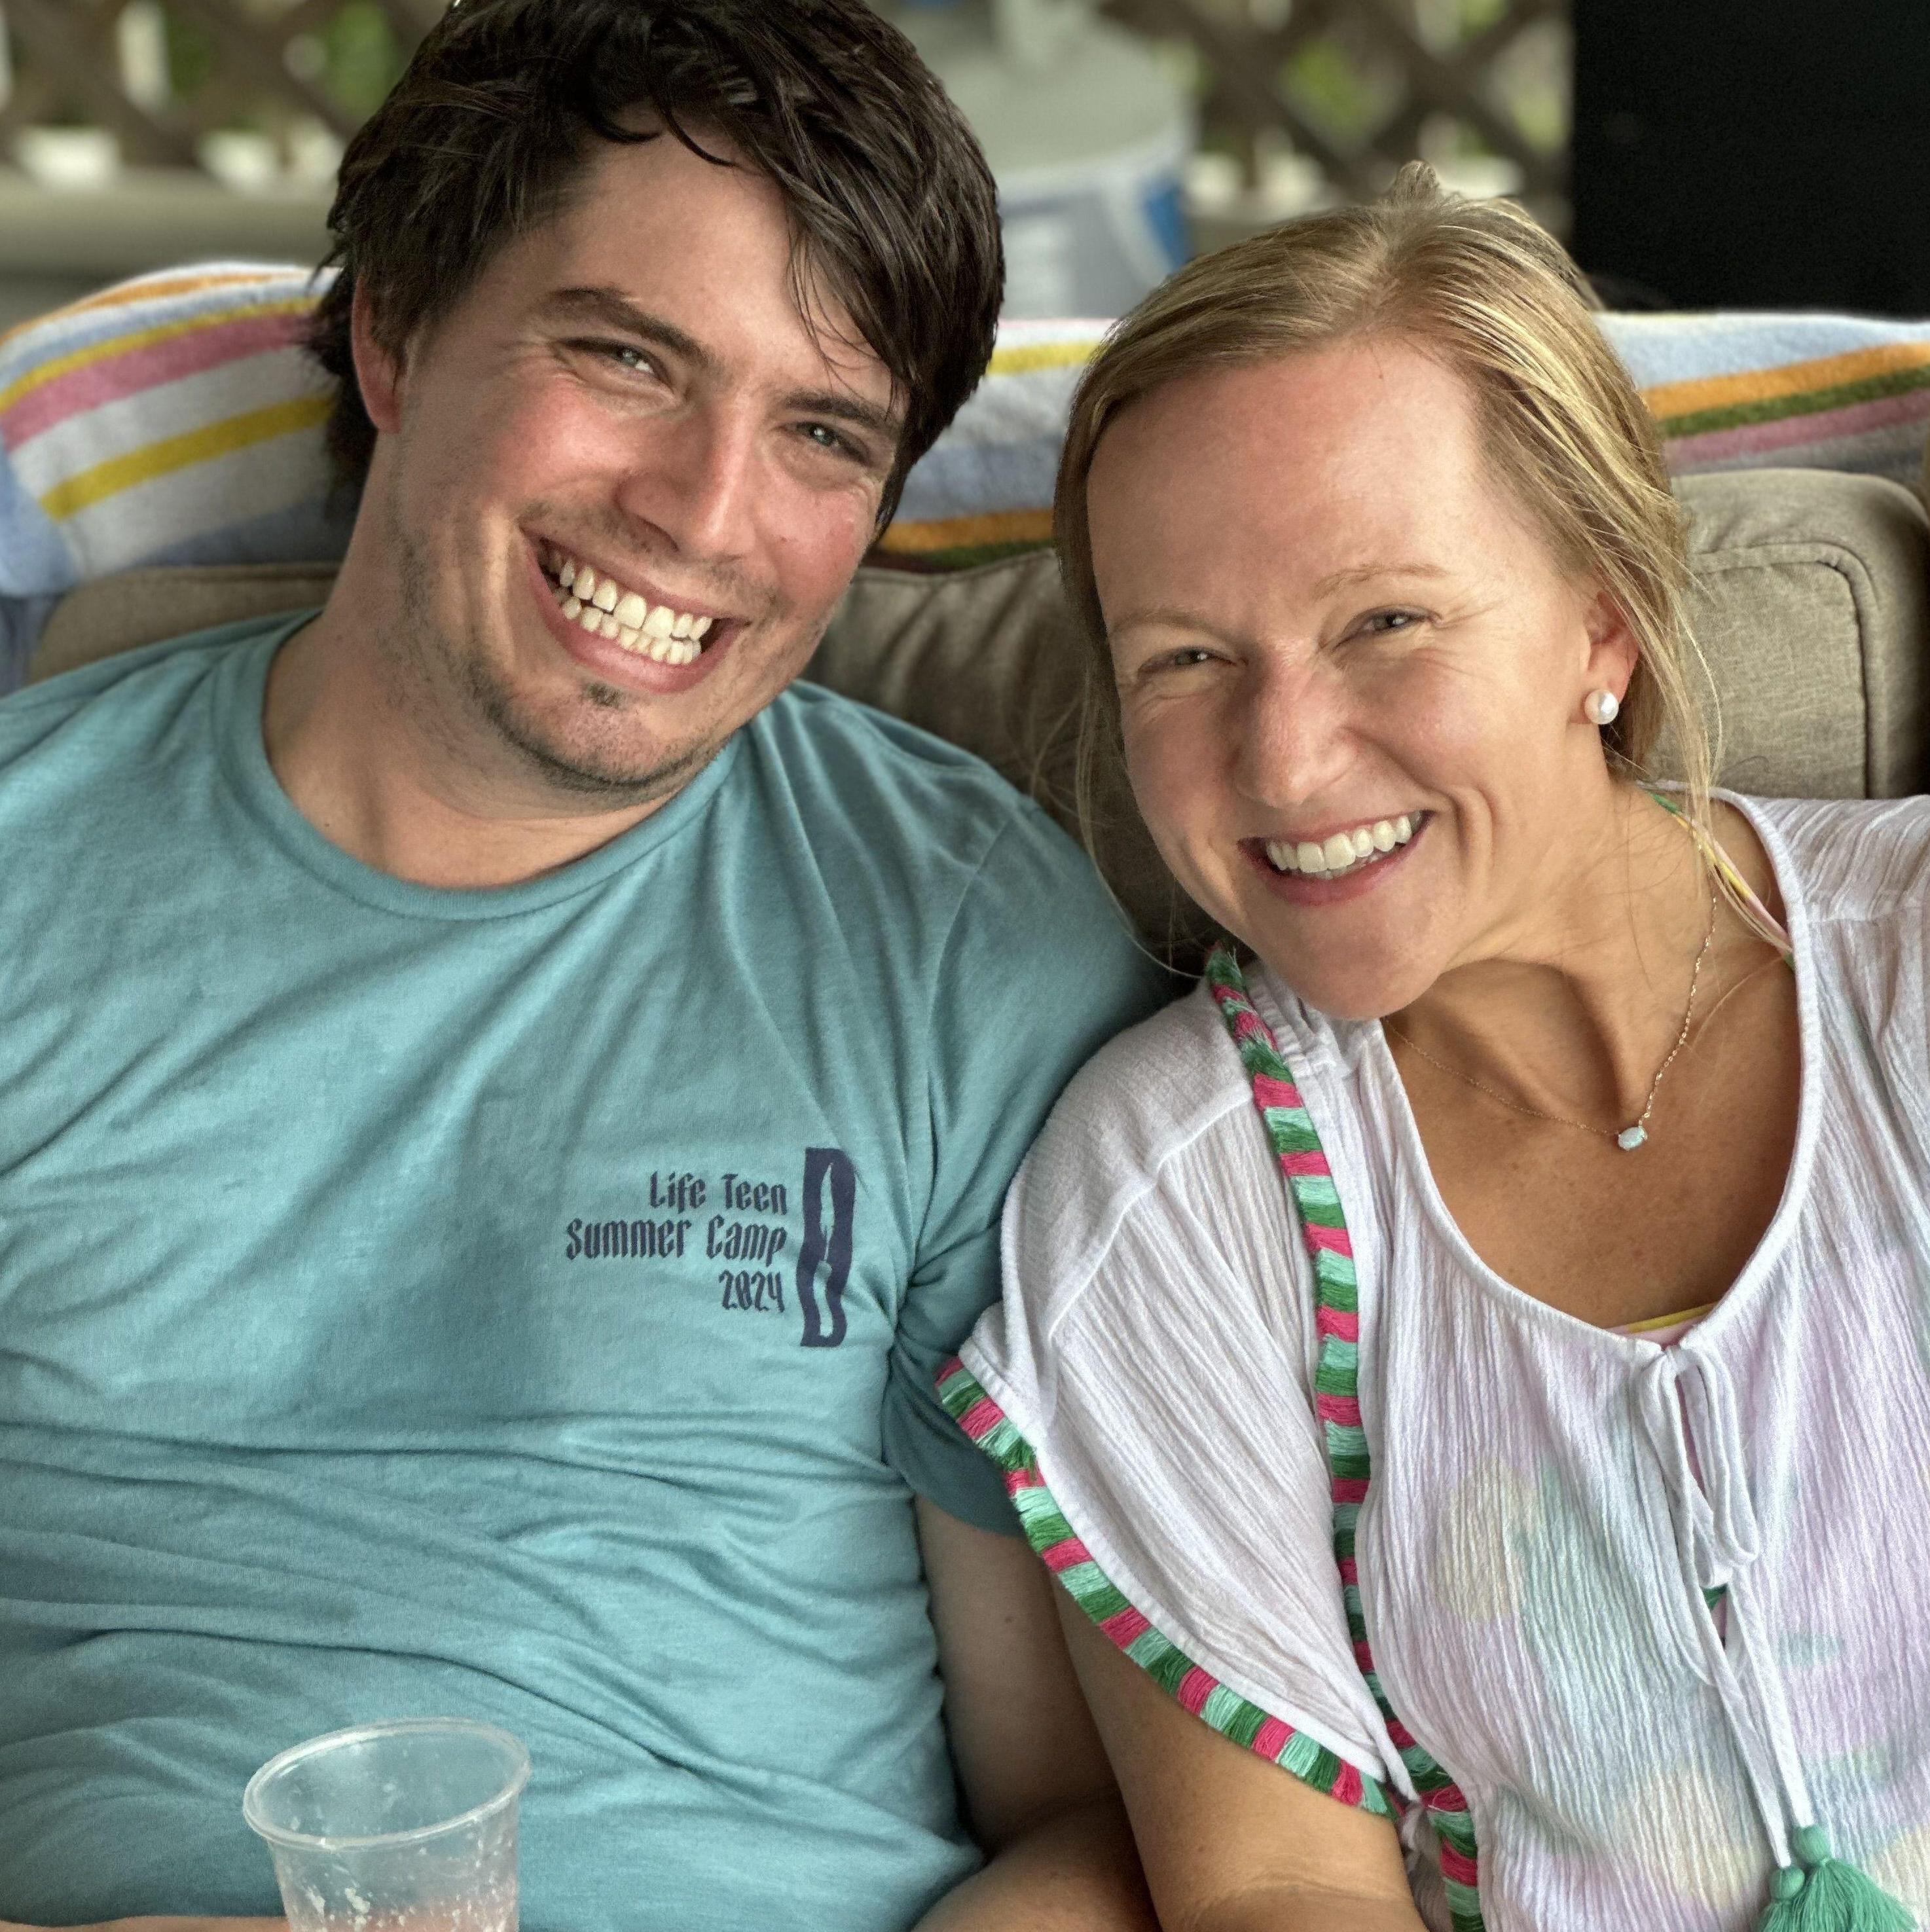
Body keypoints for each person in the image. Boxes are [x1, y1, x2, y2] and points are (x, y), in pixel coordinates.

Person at [0, 3, 1169, 1929]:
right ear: (394, 332)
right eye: (626, 359)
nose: (705, 515)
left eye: (819, 433)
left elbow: (1102, 1825)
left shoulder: (974, 950)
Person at [944, 165, 1930, 1931]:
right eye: (1182, 659)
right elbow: (1271, 1890)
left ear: (1602, 621)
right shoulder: (1173, 1196)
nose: (1285, 761)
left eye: (1383, 622)